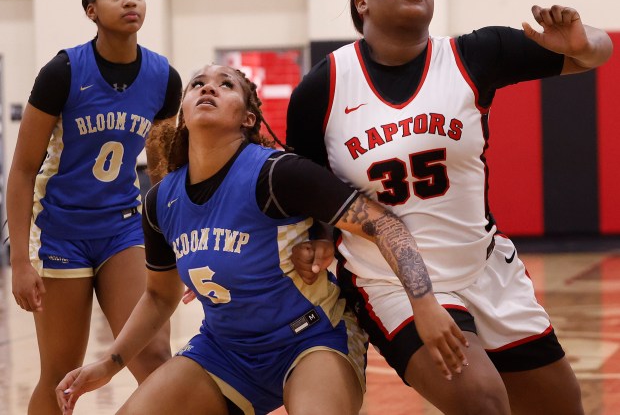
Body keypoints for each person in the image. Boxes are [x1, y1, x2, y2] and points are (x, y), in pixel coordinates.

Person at [286, 0, 613, 415]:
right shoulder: (323, 87)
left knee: (561, 405)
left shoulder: (473, 54)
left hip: (484, 268)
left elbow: (595, 54)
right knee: (481, 400)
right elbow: (309, 182)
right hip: (390, 281)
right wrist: (316, 238)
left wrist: (582, 43)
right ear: (362, 3)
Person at [55, 63, 468, 415]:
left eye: (225, 84)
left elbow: (384, 224)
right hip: (223, 350)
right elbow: (160, 297)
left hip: (311, 338)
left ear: (249, 118)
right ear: (182, 111)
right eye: (197, 84)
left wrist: (424, 302)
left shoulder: (276, 174)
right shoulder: (160, 200)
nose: (208, 87)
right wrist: (108, 365)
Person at [7, 0, 182, 414]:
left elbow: (162, 176)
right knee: (61, 375)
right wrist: (21, 262)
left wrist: (180, 244)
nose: (130, 1)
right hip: (61, 229)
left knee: (156, 361)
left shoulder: (164, 78)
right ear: (92, 10)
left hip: (122, 226)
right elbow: (24, 169)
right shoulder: (63, 71)